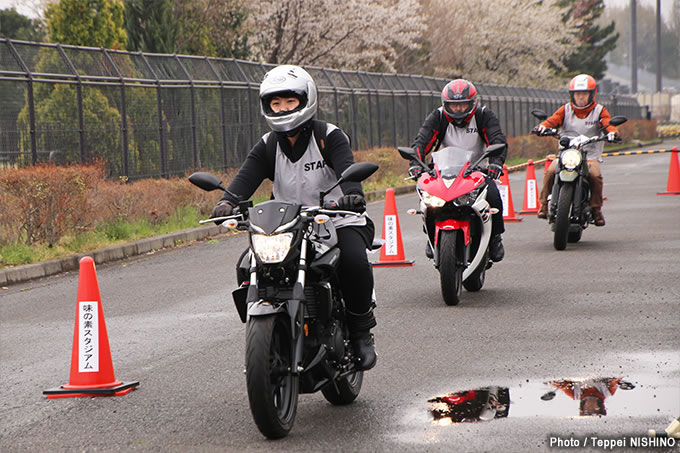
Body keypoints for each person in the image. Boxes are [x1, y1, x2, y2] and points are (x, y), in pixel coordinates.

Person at [210, 65, 377, 370]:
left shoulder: (329, 136)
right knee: (246, 266)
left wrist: (352, 196)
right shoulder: (268, 145)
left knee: (354, 260)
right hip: (288, 226)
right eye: (275, 103)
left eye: (289, 101)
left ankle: (361, 332)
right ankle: (269, 332)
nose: (282, 108)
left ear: (306, 100)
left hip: (336, 220)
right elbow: (244, 179)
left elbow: (347, 170)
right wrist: (226, 201)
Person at [410, 79, 507, 262]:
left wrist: (495, 164)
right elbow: (421, 142)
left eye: (463, 105)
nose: (459, 110)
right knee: (428, 197)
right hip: (444, 171)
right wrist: (415, 164)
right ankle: (430, 233)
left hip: (478, 171)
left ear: (473, 103)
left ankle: (495, 237)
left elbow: (497, 141)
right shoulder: (437, 117)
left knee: (493, 194)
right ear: (446, 105)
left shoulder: (484, 116)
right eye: (454, 105)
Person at [535, 74, 621, 226]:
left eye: (584, 94)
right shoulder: (566, 109)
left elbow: (607, 124)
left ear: (592, 94)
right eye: (577, 94)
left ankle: (596, 209)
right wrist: (543, 127)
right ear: (572, 95)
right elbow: (553, 120)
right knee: (550, 171)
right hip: (566, 154)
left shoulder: (599, 110)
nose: (581, 97)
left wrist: (612, 133)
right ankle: (543, 205)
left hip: (589, 155)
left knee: (595, 176)